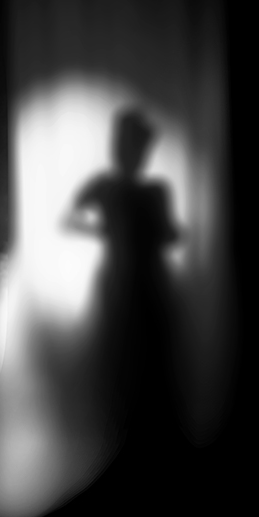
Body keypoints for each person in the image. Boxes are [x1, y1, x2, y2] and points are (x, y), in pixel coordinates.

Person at [65, 107, 182, 459]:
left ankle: (128, 429)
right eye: (133, 146)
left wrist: (113, 230)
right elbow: (70, 220)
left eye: (139, 147)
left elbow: (167, 234)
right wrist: (107, 230)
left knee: (142, 355)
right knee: (123, 355)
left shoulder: (152, 191)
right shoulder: (115, 188)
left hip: (144, 282)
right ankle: (119, 429)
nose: (135, 154)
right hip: (128, 282)